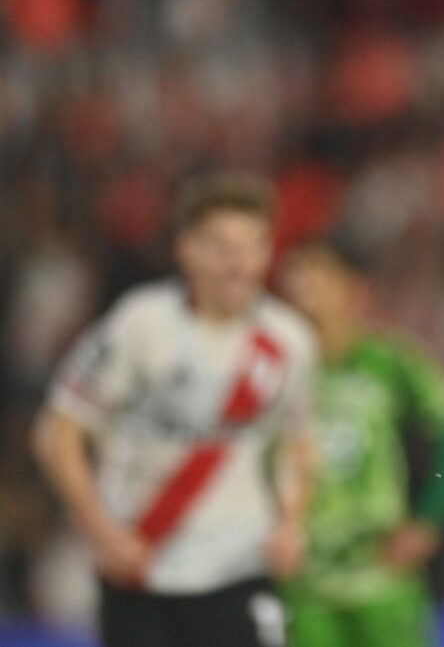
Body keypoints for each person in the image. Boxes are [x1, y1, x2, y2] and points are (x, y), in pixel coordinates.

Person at [33, 176, 318, 647]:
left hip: (237, 566)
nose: (240, 263)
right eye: (223, 247)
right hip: (140, 564)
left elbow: (297, 443)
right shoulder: (140, 325)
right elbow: (58, 432)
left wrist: (291, 522)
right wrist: (100, 533)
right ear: (186, 249)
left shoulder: (289, 341)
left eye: (254, 245)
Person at [278, 237, 444, 647]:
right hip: (301, 582)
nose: (302, 286)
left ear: (355, 289)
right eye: (295, 275)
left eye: (317, 273)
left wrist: (428, 522)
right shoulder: (275, 367)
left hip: (381, 577)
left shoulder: (387, 362)